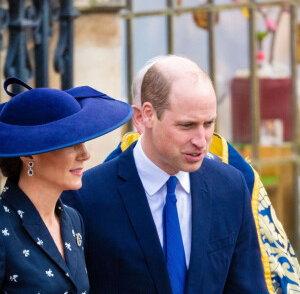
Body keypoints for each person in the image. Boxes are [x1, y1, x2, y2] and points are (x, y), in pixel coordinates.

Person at [62, 55, 268, 293]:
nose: (202, 141)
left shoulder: (230, 187)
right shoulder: (85, 196)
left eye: (209, 123)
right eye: (187, 125)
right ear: (145, 115)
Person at [0, 77, 133, 293]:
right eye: (70, 144)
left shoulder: (72, 219)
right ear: (28, 154)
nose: (85, 155)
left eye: (83, 142)